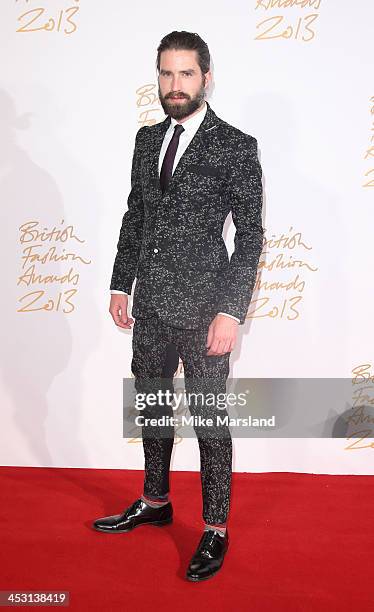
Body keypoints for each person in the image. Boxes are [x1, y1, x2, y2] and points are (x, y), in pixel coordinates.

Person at [93, 30, 264, 582]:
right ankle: (156, 500)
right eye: (166, 74)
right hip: (151, 309)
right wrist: (123, 284)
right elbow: (134, 216)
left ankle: (215, 529)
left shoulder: (235, 145)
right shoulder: (146, 140)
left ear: (206, 77)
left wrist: (231, 311)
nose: (174, 85)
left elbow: (252, 236)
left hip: (207, 310)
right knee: (154, 409)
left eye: (185, 74)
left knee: (211, 421)